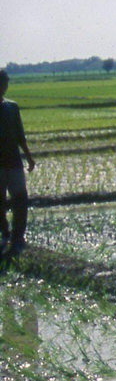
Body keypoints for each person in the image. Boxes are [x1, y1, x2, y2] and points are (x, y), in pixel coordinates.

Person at [0, 70, 36, 255]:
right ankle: (5, 231)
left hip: (14, 161)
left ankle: (18, 236)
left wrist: (29, 157)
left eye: (5, 83)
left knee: (20, 199)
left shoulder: (12, 107)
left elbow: (20, 136)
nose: (4, 86)